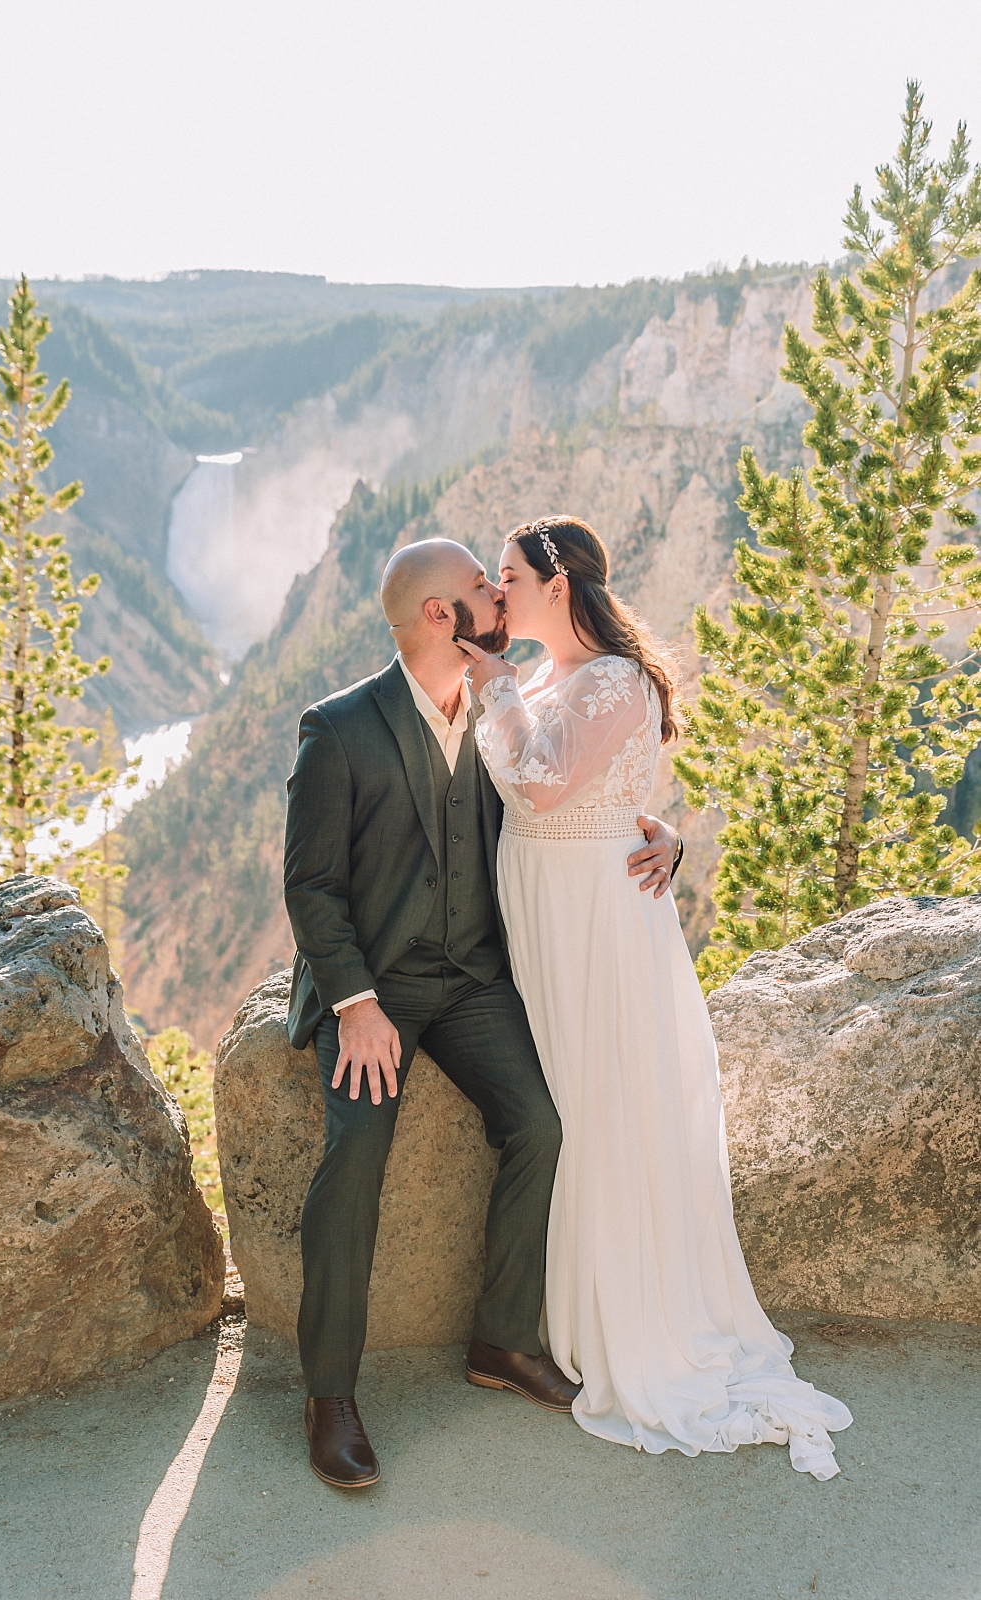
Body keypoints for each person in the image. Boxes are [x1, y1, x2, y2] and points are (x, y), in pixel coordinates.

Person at [456, 517, 852, 1481]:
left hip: (595, 918)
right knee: (568, 1102)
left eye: (507, 577)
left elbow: (545, 788)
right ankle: (564, 1305)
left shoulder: (615, 680)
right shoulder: (552, 677)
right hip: (546, 911)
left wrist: (494, 685)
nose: (498, 595)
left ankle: (621, 1315)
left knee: (601, 1106)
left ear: (555, 584)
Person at [283, 536, 682, 1488]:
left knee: (541, 1126)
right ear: (438, 618)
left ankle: (501, 1340)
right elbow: (311, 886)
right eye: (478, 588)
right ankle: (329, 1395)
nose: (496, 595)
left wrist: (662, 832)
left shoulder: (513, 700)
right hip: (378, 990)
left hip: (473, 980)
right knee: (355, 1153)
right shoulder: (339, 728)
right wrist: (355, 1002)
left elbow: (579, 792)